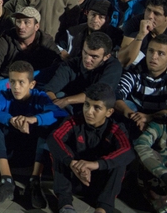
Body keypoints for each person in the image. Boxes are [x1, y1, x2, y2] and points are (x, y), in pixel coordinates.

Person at [0, 61, 68, 207]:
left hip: (32, 152)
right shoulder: (5, 96)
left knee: (48, 126)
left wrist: (34, 119)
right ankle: (6, 180)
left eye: (21, 82)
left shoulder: (40, 97)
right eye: (12, 82)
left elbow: (60, 114)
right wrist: (11, 120)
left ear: (31, 84)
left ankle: (35, 181)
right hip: (9, 149)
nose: (16, 87)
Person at [48, 83, 135, 213]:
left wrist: (95, 165)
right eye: (87, 105)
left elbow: (128, 150)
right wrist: (72, 163)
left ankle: (102, 208)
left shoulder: (116, 128)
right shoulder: (74, 121)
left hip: (100, 184)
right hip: (76, 177)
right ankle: (65, 205)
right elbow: (54, 138)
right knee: (59, 150)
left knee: (119, 161)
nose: (89, 112)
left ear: (109, 112)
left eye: (97, 108)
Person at [115, 34, 167, 136]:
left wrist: (149, 117)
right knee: (122, 105)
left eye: (161, 53)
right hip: (135, 113)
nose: (154, 57)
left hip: (162, 118)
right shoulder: (135, 70)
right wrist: (133, 115)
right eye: (151, 51)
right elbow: (117, 94)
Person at [42, 32, 123, 113]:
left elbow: (100, 94)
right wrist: (55, 103)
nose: (87, 59)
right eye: (85, 52)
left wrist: (68, 100)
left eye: (94, 56)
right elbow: (49, 89)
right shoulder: (71, 64)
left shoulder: (113, 67)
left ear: (106, 57)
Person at [0, 7, 61, 84]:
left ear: (36, 26)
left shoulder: (45, 41)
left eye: (27, 22)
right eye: (18, 21)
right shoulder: (6, 38)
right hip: (7, 80)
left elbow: (57, 64)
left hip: (35, 81)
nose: (21, 26)